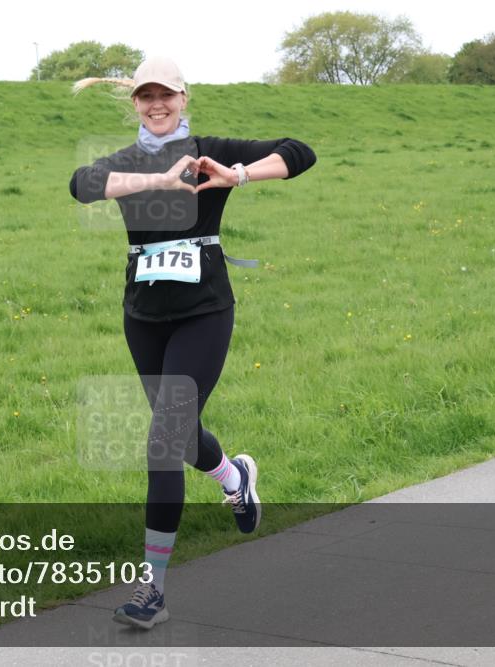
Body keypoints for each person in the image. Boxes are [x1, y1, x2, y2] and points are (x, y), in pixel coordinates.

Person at [69, 56, 317, 629]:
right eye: (145, 97)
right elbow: (81, 186)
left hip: (205, 311)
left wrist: (239, 175)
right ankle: (235, 479)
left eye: (167, 95)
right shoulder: (127, 161)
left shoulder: (212, 147)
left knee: (164, 437)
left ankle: (152, 590)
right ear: (134, 102)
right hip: (144, 316)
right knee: (178, 435)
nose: (157, 105)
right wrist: (158, 178)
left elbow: (299, 151)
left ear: (184, 97)